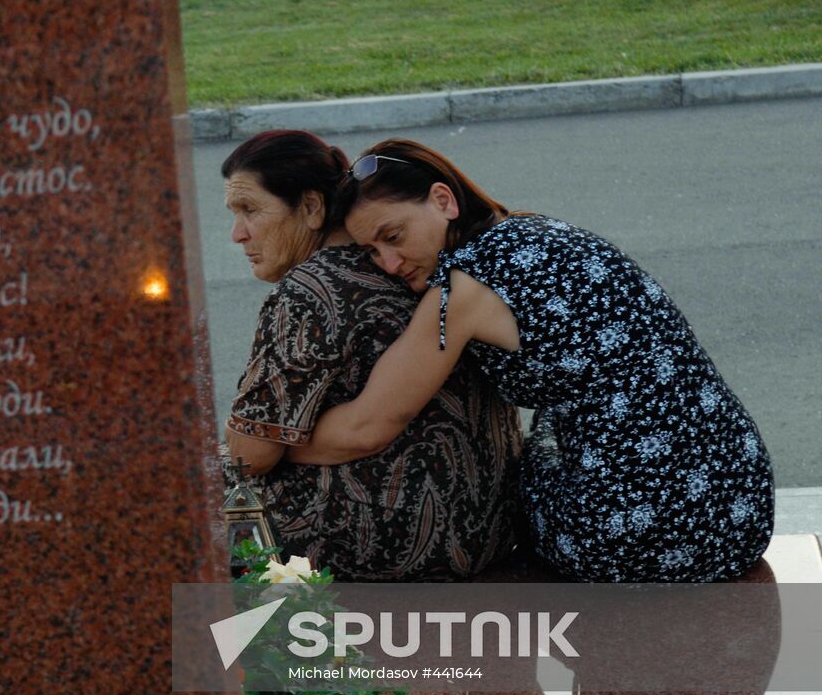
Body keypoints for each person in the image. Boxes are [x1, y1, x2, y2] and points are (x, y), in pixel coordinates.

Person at [289, 138, 774, 583]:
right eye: (372, 252)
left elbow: (369, 426)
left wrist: (268, 451)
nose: (390, 264)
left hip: (640, 534)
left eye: (393, 236)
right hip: (741, 497)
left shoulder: (462, 290)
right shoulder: (535, 229)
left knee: (514, 475)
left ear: (443, 200)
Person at [222, 130, 522, 581]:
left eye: (250, 210)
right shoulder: (421, 261)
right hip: (492, 523)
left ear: (310, 207)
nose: (237, 234)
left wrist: (272, 442)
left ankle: (265, 647)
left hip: (387, 548)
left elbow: (251, 453)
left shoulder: (309, 292)